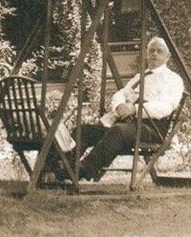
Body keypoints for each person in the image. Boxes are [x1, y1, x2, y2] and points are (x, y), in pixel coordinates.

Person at [74, 36, 184, 181]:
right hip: (126, 122)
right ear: (146, 53)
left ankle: (83, 170)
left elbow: (166, 106)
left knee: (118, 131)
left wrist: (135, 109)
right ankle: (64, 167)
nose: (154, 54)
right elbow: (120, 94)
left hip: (151, 127)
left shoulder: (172, 79)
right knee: (84, 130)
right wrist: (119, 105)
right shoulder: (140, 76)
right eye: (151, 51)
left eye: (159, 51)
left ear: (167, 56)